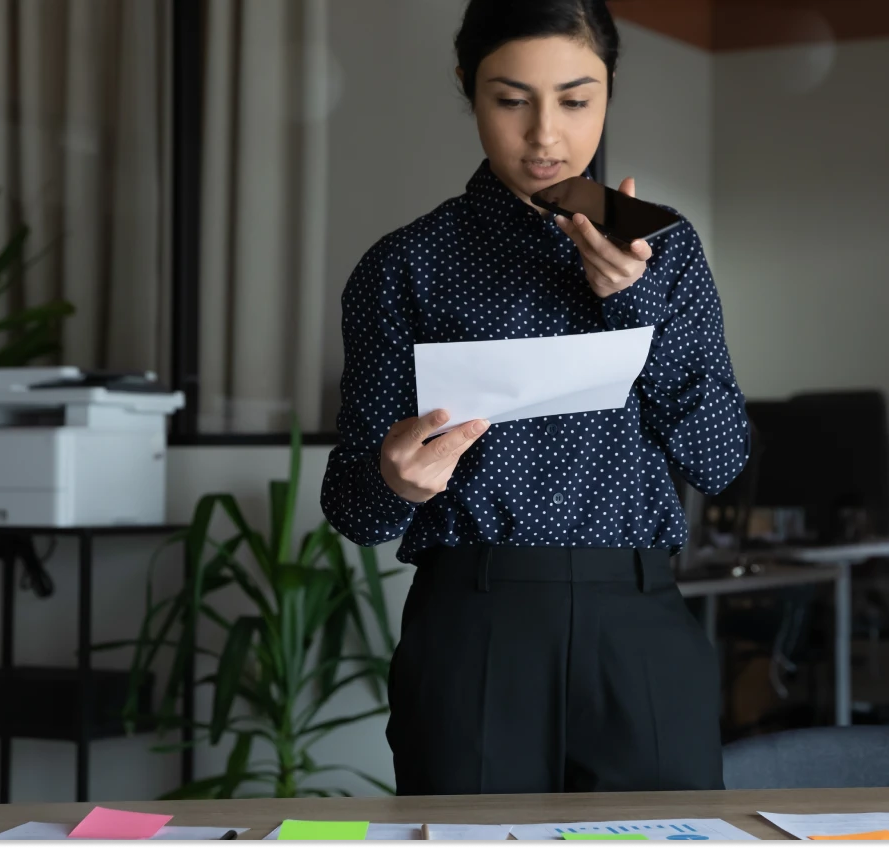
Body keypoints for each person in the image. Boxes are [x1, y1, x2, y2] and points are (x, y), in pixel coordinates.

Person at [320, 0, 750, 796]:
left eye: (576, 99)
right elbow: (353, 509)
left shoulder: (667, 249)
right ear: (468, 90)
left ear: (610, 90)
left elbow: (721, 461)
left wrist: (636, 305)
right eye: (512, 100)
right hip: (472, 620)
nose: (545, 134)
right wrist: (394, 481)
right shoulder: (404, 267)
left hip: (640, 618)